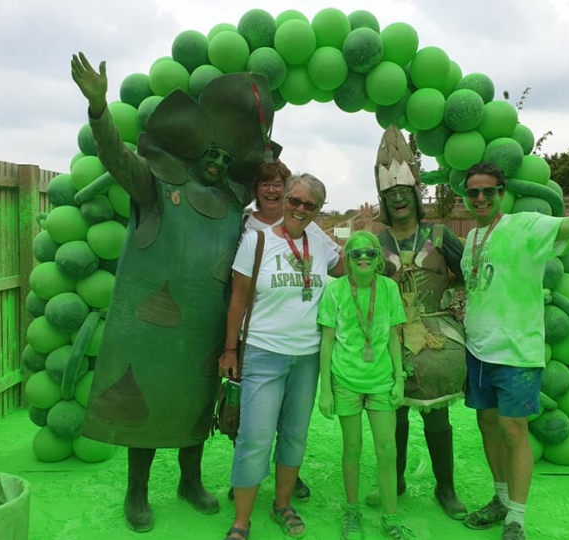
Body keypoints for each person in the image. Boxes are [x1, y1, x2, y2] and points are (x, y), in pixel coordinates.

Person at [70, 52, 279, 532]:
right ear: (193, 154)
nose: (219, 163)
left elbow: (270, 188)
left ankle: (190, 481)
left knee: (195, 405)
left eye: (227, 159)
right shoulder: (156, 187)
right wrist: (100, 110)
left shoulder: (232, 205)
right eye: (213, 155)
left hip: (205, 325)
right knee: (143, 401)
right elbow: (116, 158)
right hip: (149, 329)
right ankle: (137, 492)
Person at [459, 162, 569, 540]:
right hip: (478, 350)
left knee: (514, 431)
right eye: (473, 192)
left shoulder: (524, 225)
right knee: (487, 426)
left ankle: (516, 517)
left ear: (501, 194)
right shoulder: (472, 239)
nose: (480, 198)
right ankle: (499, 498)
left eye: (488, 191)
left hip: (516, 353)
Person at [219, 173, 344, 540]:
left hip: (307, 358)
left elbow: (351, 267)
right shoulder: (256, 241)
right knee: (254, 438)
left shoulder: (319, 244)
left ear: (318, 210)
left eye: (310, 205)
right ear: (285, 199)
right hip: (263, 352)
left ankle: (282, 504)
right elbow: (238, 299)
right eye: (296, 201)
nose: (300, 209)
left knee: (294, 435)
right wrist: (230, 349)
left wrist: (379, 242)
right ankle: (241, 522)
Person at [365, 126, 468, 520]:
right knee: (395, 411)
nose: (398, 201)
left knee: (436, 413)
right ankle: (398, 480)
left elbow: (472, 276)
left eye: (403, 194)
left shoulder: (441, 236)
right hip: (392, 341)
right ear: (384, 203)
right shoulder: (374, 244)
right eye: (390, 197)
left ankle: (446, 488)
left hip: (437, 338)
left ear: (414, 196)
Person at [317, 230, 412, 540]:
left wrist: (399, 379)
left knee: (387, 449)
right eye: (356, 253)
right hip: (345, 381)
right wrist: (326, 390)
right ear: (347, 259)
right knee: (352, 448)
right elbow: (327, 343)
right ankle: (352, 510)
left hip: (382, 380)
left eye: (370, 253)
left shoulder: (387, 289)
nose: (362, 258)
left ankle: (390, 517)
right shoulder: (334, 292)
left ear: (378, 259)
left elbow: (396, 339)